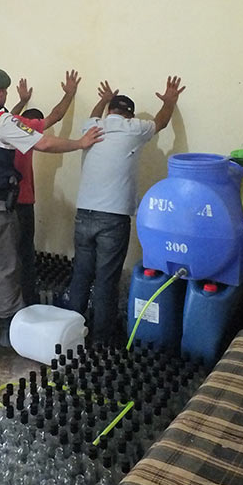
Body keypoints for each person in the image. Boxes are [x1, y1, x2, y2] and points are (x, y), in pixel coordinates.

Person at [0, 66, 102, 357]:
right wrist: (81, 143)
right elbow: (44, 142)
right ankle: (8, 331)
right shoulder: (0, 119)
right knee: (5, 269)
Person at [68, 76, 185, 346]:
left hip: (83, 214)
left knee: (81, 276)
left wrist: (103, 99)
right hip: (113, 218)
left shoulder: (92, 126)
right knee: (106, 281)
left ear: (109, 111)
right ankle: (101, 342)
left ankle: (71, 335)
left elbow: (94, 113)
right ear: (129, 115)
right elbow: (161, 122)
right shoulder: (134, 128)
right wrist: (169, 102)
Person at [8, 70, 81, 304]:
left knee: (0, 254)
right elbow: (56, 116)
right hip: (22, 201)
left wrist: (22, 101)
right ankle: (27, 302)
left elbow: (9, 114)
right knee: (25, 254)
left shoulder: (7, 125)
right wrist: (70, 94)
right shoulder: (28, 129)